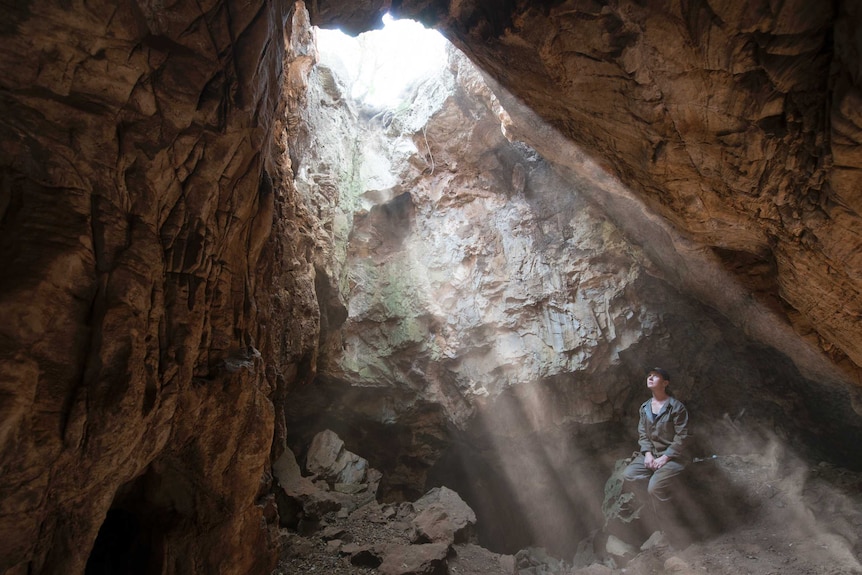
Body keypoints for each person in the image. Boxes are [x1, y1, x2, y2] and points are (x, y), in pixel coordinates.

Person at [622, 367, 690, 511]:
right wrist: (647, 454)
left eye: (655, 376)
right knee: (629, 475)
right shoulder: (645, 407)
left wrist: (665, 458)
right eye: (649, 375)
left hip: (673, 457)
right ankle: (653, 509)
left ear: (665, 383)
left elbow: (682, 437)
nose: (650, 378)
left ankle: (670, 528)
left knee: (655, 488)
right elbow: (643, 434)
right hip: (652, 454)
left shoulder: (676, 407)